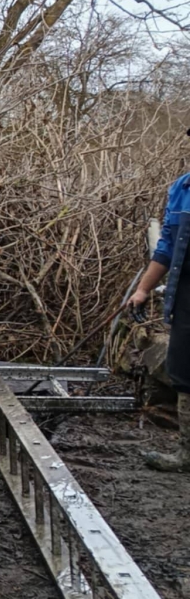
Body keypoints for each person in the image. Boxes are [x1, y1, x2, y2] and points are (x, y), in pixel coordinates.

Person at [129, 128, 190, 474]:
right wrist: (143, 289)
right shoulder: (182, 189)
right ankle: (186, 455)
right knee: (183, 373)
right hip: (186, 297)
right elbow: (165, 246)